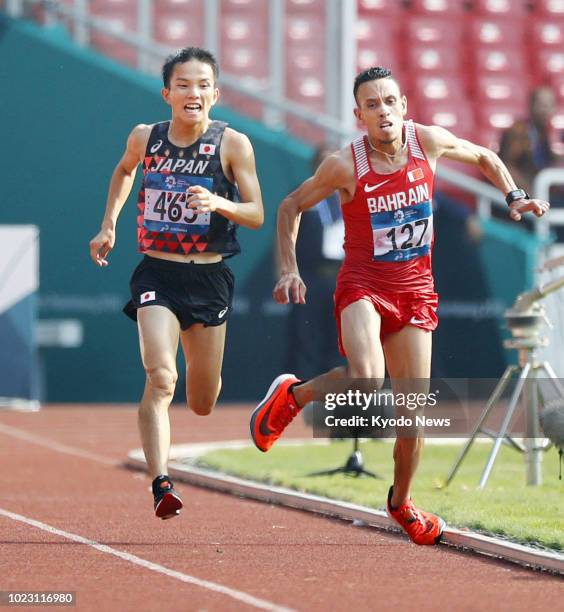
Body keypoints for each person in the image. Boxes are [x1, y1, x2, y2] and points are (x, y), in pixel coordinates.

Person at [249, 66, 549, 545]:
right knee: (367, 378)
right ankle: (292, 397)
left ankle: (402, 502)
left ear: (404, 105)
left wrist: (515, 195)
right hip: (363, 285)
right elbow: (290, 207)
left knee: (413, 418)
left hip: (414, 292)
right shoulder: (345, 165)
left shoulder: (426, 141)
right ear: (359, 115)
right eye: (372, 105)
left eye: (390, 101)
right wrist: (289, 268)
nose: (383, 111)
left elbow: (485, 156)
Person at [89, 47, 264, 519]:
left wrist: (219, 204)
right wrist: (110, 224)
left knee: (202, 401)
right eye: (184, 84)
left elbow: (257, 213)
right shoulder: (146, 137)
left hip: (209, 278)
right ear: (167, 93)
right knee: (161, 376)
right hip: (157, 273)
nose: (194, 92)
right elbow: (125, 171)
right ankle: (161, 482)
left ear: (216, 94)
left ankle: (223, 393)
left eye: (203, 84)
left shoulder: (233, 144)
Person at [285, 144, 345, 383]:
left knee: (341, 337)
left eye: (332, 160)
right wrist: (287, 272)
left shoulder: (351, 194)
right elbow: (285, 234)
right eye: (323, 160)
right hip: (310, 275)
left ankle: (338, 392)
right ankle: (301, 392)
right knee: (306, 335)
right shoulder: (303, 194)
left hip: (343, 276)